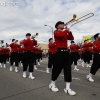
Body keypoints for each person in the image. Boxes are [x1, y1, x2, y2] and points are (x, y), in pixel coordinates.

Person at [49, 21, 76, 96]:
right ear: (57, 26)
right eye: (61, 24)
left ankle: (67, 88)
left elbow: (71, 38)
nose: (63, 25)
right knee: (57, 68)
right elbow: (61, 35)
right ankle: (52, 84)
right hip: (59, 52)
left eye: (63, 24)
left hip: (66, 52)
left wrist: (69, 31)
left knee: (68, 69)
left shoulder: (65, 32)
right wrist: (66, 30)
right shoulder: (56, 32)